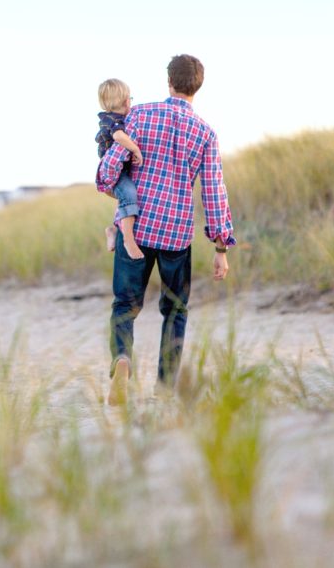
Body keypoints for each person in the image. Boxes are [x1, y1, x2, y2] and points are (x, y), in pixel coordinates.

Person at [96, 54, 235, 405]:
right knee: (175, 311)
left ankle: (122, 360)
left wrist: (109, 183)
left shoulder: (140, 114)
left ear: (168, 81)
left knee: (124, 306)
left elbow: (110, 167)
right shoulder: (205, 133)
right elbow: (214, 191)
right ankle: (165, 387)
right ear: (197, 87)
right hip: (176, 235)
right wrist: (220, 248)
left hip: (138, 229)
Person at [95, 79, 145, 260]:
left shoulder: (114, 118)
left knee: (127, 199)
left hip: (120, 171)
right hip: (115, 174)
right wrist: (135, 149)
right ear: (126, 101)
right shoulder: (113, 121)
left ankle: (114, 230)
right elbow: (118, 136)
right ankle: (128, 240)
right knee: (129, 194)